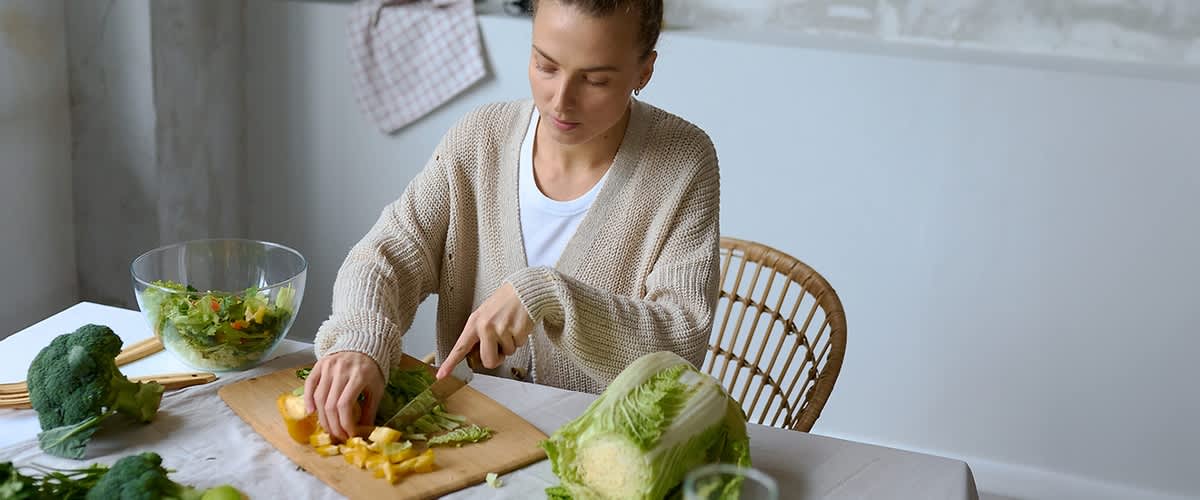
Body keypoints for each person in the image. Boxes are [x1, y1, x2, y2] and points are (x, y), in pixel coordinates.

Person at [304, 0, 721, 441]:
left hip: (602, 450)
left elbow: (680, 341)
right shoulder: (480, 137)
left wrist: (549, 294)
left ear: (644, 72)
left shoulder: (684, 162)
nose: (561, 100)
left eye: (596, 80)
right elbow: (386, 255)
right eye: (545, 65)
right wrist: (359, 340)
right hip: (467, 440)